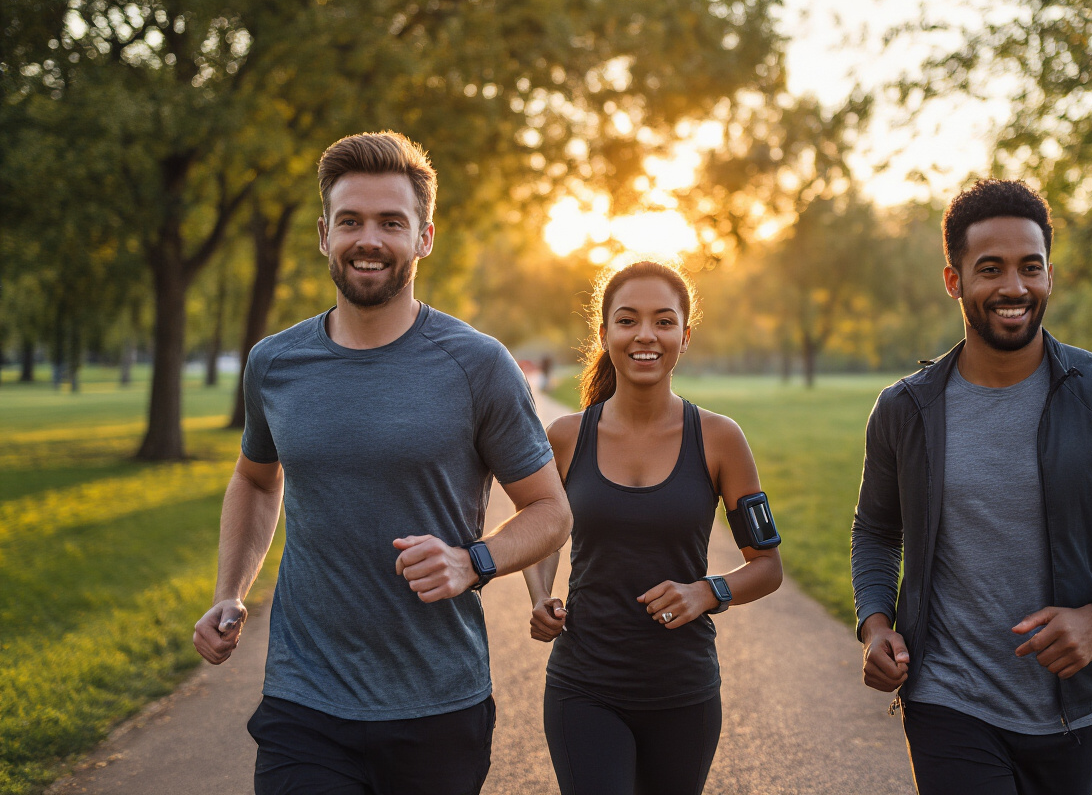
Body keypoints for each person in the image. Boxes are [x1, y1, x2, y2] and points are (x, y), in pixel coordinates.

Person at [191, 130, 572, 795]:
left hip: (438, 704)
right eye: (351, 221)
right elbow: (256, 478)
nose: (369, 239)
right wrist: (229, 592)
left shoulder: (478, 364)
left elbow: (549, 509)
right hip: (303, 698)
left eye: (391, 222)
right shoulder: (274, 364)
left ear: (424, 237)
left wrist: (471, 561)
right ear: (324, 234)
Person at [850, 178, 1092, 795]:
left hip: (1070, 710)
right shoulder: (905, 410)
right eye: (989, 269)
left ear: (1049, 276)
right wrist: (876, 623)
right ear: (954, 280)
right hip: (946, 694)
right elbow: (877, 533)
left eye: (1029, 267)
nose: (1012, 287)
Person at [523, 260, 783, 795]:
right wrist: (539, 593)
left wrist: (708, 592)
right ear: (604, 334)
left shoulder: (719, 438)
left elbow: (768, 567)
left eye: (664, 321)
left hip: (683, 691)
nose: (646, 335)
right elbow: (541, 528)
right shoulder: (566, 437)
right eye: (628, 320)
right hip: (584, 687)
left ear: (684, 337)